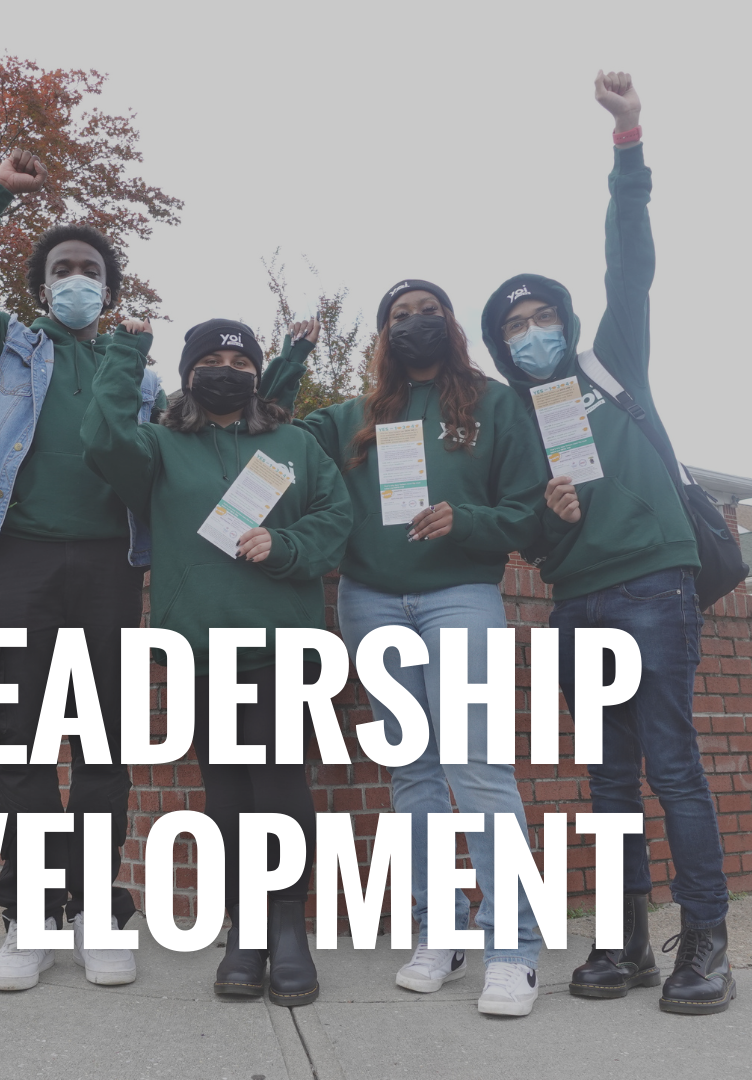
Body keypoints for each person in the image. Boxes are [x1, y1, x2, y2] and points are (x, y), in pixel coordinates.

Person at [481, 71, 735, 1015]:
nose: (533, 331)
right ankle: (622, 943)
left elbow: (631, 260)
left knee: (673, 763)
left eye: (542, 315)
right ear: (502, 347)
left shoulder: (609, 359)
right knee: (609, 777)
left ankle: (707, 941)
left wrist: (629, 142)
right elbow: (520, 525)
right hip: (576, 599)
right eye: (515, 326)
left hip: (653, 587)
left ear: (567, 322)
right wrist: (550, 514)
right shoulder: (511, 417)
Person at [261, 283, 549, 1016]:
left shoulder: (494, 404)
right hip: (372, 598)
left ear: (449, 325)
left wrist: (468, 519)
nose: (414, 323)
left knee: (475, 766)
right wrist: (294, 353)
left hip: (462, 595)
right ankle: (438, 929)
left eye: (427, 312)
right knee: (413, 772)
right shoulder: (354, 417)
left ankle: (512, 948)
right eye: (399, 315)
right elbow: (271, 426)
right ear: (384, 336)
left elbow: (523, 507)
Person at [0, 150, 165, 991]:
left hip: (107, 565)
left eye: (91, 270)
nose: (76, 279)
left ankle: (97, 908)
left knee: (101, 742)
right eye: (62, 268)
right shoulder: (11, 349)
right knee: (22, 743)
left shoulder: (136, 370)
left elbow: (172, 457)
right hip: (18, 560)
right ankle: (28, 915)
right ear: (40, 286)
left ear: (110, 288)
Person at [81, 316, 351, 1006]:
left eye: (240, 357)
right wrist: (124, 350)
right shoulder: (162, 446)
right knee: (228, 794)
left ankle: (290, 926)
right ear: (189, 372)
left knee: (281, 787)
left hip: (282, 647)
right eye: (212, 358)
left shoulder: (294, 443)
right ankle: (246, 929)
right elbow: (102, 438)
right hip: (203, 648)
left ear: (258, 374)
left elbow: (335, 514)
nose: (227, 367)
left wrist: (285, 545)